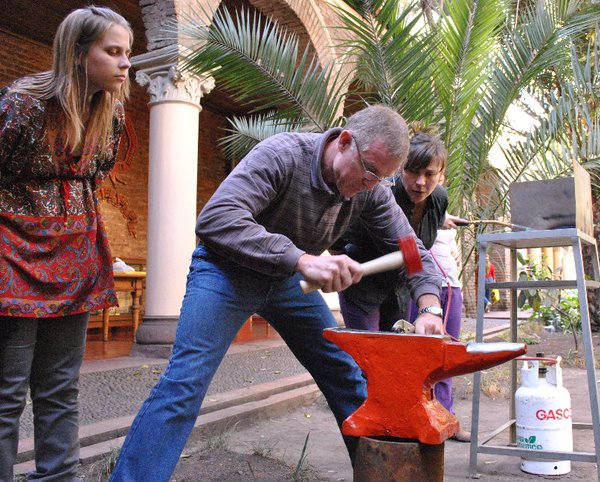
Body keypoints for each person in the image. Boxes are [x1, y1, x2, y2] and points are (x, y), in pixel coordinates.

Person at [109, 105, 445, 481]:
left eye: (381, 179)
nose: (370, 185)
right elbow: (216, 218)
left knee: (347, 377)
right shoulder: (282, 155)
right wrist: (301, 259)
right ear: (344, 142)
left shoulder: (371, 192)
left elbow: (411, 250)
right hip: (226, 272)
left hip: (286, 282)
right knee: (184, 384)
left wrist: (429, 306)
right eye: (369, 172)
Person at [0, 6, 132, 481]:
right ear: (78, 53)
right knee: (6, 393)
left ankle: (59, 477)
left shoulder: (111, 114)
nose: (125, 63)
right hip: (13, 255)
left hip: (76, 256)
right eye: (112, 51)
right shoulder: (23, 103)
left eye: (127, 53)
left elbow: (95, 176)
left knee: (60, 387)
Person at [334, 132, 458, 332]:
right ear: (401, 167)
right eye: (413, 171)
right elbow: (337, 238)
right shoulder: (380, 195)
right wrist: (340, 269)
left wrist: (429, 304)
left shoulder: (439, 200)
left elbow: (415, 253)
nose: (420, 182)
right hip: (362, 288)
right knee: (366, 348)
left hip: (401, 290)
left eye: (429, 174)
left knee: (397, 345)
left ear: (441, 174)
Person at [408, 206, 471, 441]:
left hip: (451, 287)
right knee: (418, 357)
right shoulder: (405, 204)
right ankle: (417, 420)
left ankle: (445, 416)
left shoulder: (442, 207)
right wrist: (435, 219)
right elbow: (404, 238)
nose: (422, 186)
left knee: (447, 356)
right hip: (420, 291)